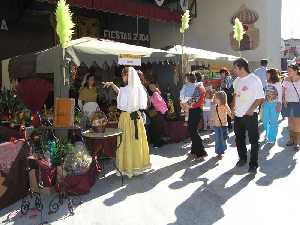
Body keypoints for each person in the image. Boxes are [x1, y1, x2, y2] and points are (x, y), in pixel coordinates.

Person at [103, 67, 151, 177]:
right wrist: (113, 85)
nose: (122, 77)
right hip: (137, 117)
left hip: (126, 118)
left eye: (123, 75)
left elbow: (122, 97)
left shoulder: (126, 90)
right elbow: (123, 94)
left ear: (127, 76)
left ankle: (128, 167)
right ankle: (137, 166)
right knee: (136, 141)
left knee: (126, 142)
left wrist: (112, 85)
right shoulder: (138, 88)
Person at [232, 58, 265, 173]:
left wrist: (251, 109)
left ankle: (253, 164)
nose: (234, 70)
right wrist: (233, 109)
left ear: (241, 67)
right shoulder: (236, 81)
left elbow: (260, 97)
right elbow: (235, 96)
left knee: (254, 141)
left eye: (235, 68)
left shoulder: (254, 80)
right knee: (239, 139)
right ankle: (242, 158)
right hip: (238, 115)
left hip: (250, 115)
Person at [184, 73, 208, 160]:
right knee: (192, 131)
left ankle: (201, 152)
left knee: (193, 131)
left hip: (195, 111)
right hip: (194, 110)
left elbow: (193, 100)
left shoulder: (198, 88)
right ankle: (194, 150)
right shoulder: (197, 87)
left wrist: (185, 104)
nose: (185, 81)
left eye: (186, 79)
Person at [262, 69, 283, 144]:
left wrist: (279, 104)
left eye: (268, 74)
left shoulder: (277, 84)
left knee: (273, 122)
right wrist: (264, 101)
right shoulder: (267, 82)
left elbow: (280, 95)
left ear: (272, 75)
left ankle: (272, 138)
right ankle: (267, 134)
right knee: (264, 120)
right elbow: (265, 93)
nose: (266, 76)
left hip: (275, 104)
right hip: (266, 104)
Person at [210, 91, 233, 160]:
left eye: (216, 98)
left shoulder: (225, 105)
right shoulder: (215, 105)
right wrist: (211, 121)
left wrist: (234, 116)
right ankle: (219, 153)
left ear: (221, 98)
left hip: (223, 125)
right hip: (216, 125)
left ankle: (222, 149)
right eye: (215, 98)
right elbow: (213, 114)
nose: (214, 99)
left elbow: (230, 114)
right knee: (218, 139)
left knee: (222, 139)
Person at [282, 64, 300, 151]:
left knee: (297, 123)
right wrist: (283, 99)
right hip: (288, 103)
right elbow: (283, 91)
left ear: (296, 71)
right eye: (288, 70)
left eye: (290, 70)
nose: (288, 72)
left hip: (297, 103)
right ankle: (291, 139)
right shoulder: (286, 79)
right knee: (290, 122)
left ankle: (296, 142)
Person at [147, 83, 168, 147]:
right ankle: (159, 141)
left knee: (157, 128)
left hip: (157, 112)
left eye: (152, 87)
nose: (151, 88)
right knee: (159, 127)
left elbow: (157, 102)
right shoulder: (157, 93)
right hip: (159, 112)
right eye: (150, 87)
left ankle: (158, 142)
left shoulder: (155, 94)